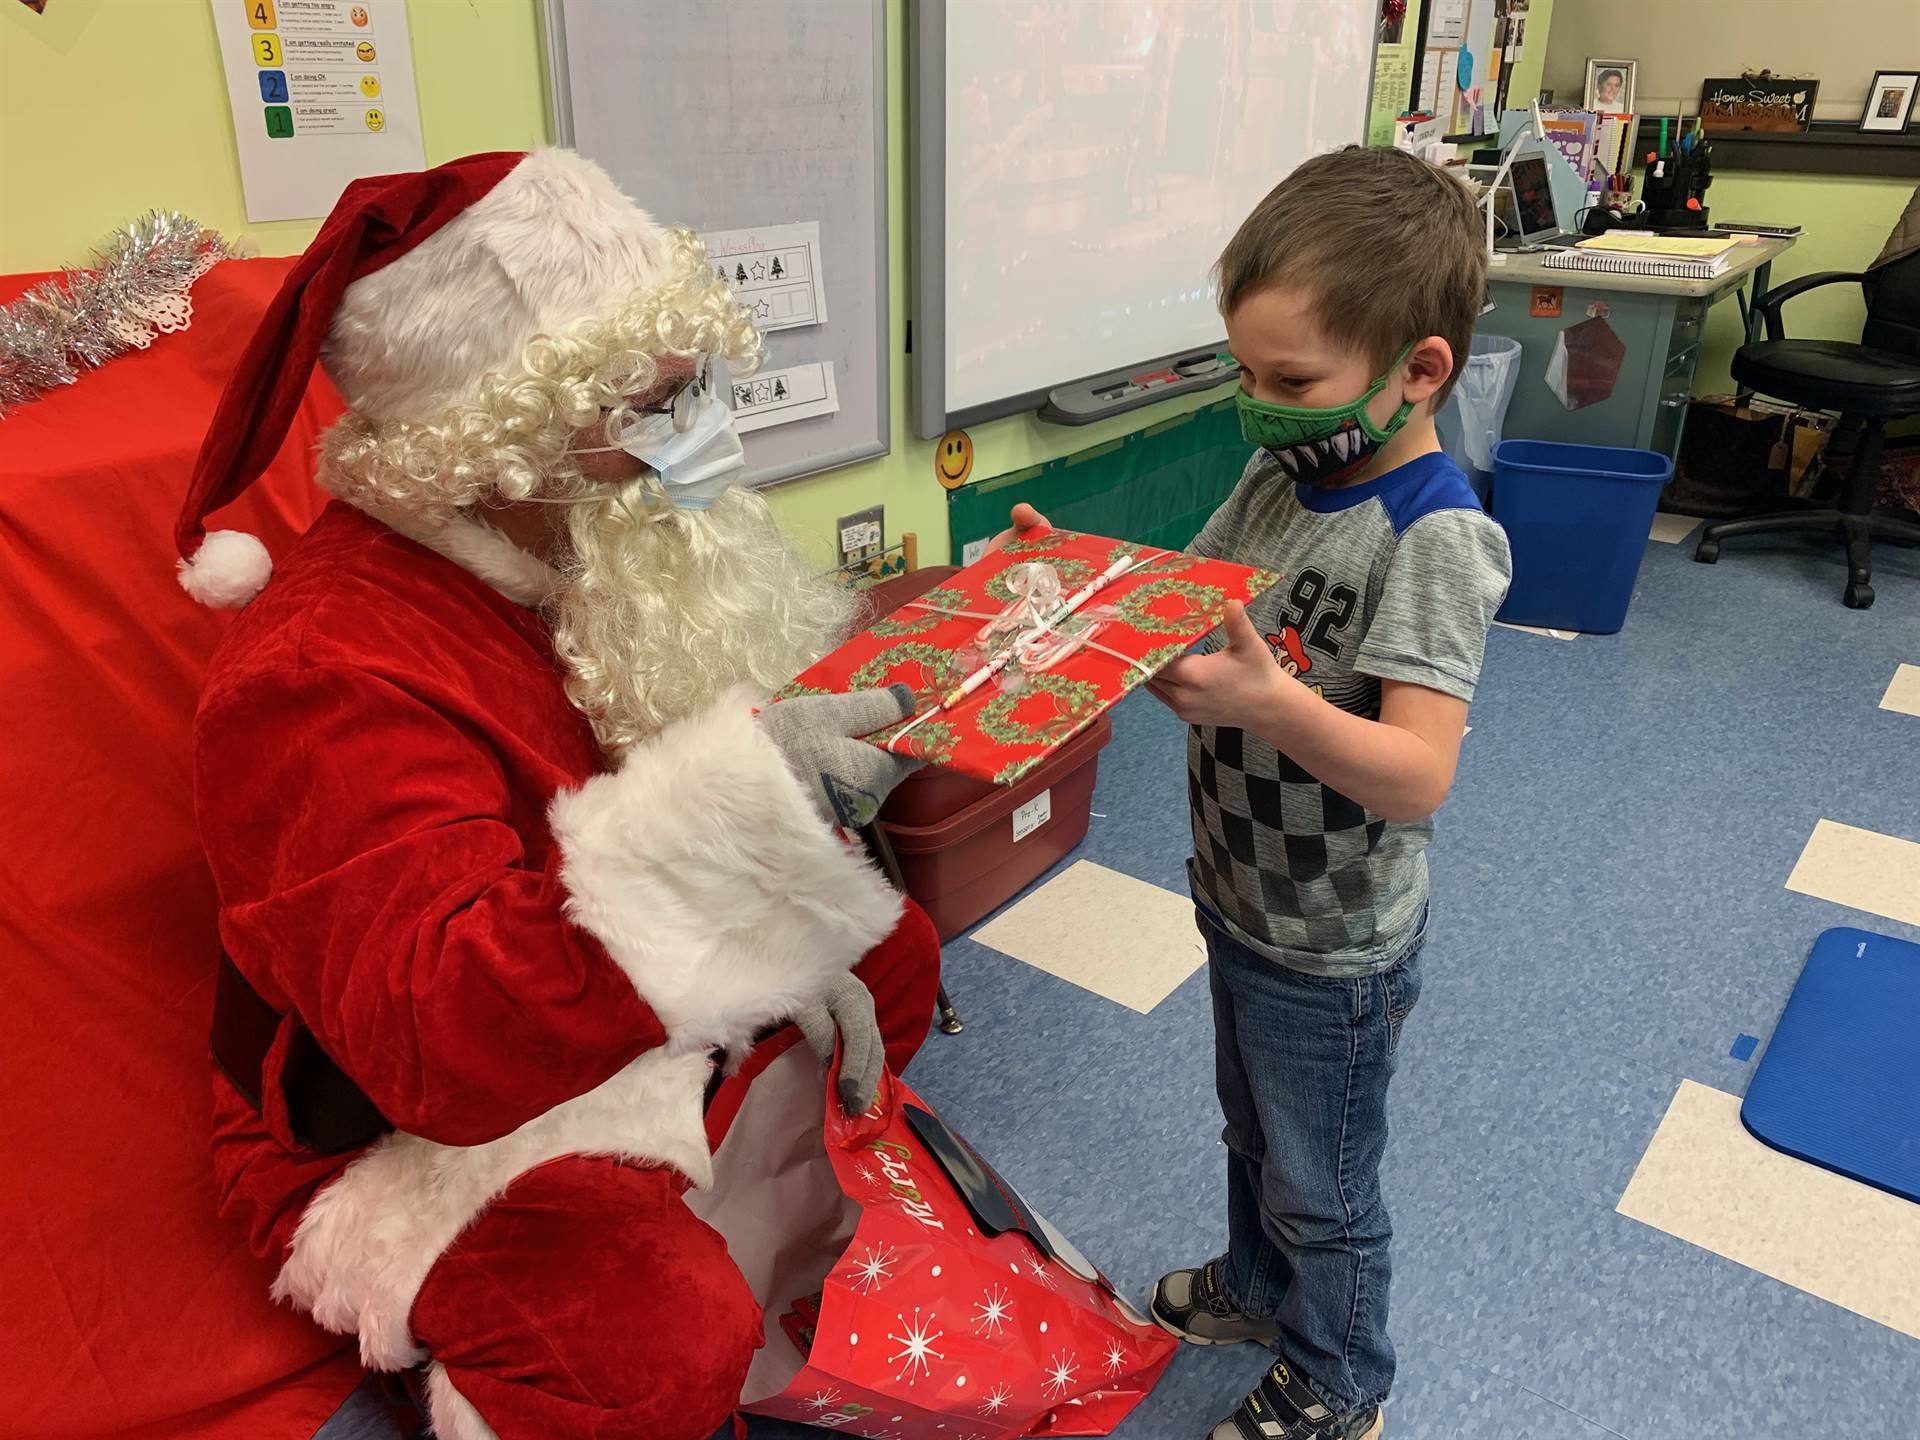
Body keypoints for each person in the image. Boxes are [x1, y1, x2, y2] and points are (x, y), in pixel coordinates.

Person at [174, 148, 938, 1440]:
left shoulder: (574, 549)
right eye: (647, 409)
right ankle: (485, 1368)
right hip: (397, 1122)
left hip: (586, 996)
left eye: (694, 388)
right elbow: (437, 1043)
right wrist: (730, 860)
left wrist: (778, 900)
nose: (704, 437)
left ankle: (723, 1219)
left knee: (892, 955)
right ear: (500, 442)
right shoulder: (315, 675)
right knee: (661, 1338)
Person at [997, 146, 1510, 1440]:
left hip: (1333, 940)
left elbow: (1420, 773)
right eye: (1246, 371)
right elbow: (1188, 596)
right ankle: (1259, 1287)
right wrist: (1086, 580)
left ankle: (1344, 1379)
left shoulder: (1434, 538)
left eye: (1290, 382)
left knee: (1324, 1183)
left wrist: (1275, 704)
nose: (1259, 405)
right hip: (1237, 895)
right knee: (1253, 1133)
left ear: (1420, 371)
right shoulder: (1283, 476)